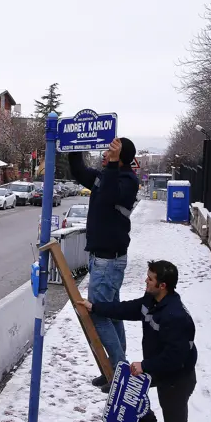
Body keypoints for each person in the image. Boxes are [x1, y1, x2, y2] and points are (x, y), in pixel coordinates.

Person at [77, 260, 198, 422]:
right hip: (160, 369)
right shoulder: (151, 301)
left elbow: (175, 358)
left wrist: (145, 366)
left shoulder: (175, 316)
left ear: (163, 285)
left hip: (176, 378)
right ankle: (147, 421)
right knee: (125, 385)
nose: (146, 281)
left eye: (150, 279)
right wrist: (95, 307)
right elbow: (128, 309)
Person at [69, 137, 139, 392]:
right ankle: (115, 368)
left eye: (112, 151)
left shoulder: (127, 181)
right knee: (112, 314)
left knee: (99, 314)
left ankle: (119, 373)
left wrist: (111, 164)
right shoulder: (105, 176)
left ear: (122, 156)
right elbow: (79, 172)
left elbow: (110, 196)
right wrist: (74, 144)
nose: (106, 153)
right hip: (102, 257)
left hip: (109, 259)